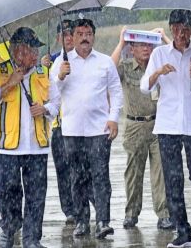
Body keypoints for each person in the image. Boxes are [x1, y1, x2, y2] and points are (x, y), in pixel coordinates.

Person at [141, 9, 191, 248]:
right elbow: (145, 86)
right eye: (178, 29)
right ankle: (182, 229)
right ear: (171, 29)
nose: (183, 34)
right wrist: (158, 72)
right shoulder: (160, 54)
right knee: (173, 180)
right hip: (168, 125)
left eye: (187, 29)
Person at [0, 27, 59, 248]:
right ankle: (9, 228)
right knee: (7, 191)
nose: (34, 55)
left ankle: (32, 238)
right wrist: (10, 84)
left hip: (37, 146)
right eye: (29, 50)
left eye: (35, 49)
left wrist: (44, 109)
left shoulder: (44, 72)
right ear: (16, 52)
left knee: (36, 194)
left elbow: (56, 103)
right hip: (7, 147)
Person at [50, 18, 123, 239]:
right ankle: (82, 221)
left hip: (99, 130)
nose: (84, 37)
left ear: (93, 36)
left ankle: (103, 221)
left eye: (88, 33)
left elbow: (116, 91)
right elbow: (52, 95)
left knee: (101, 176)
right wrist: (60, 76)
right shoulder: (62, 63)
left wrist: (113, 118)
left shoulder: (104, 62)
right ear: (71, 37)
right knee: (77, 177)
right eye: (80, 33)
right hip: (72, 131)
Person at [111, 27, 173, 231]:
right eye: (141, 45)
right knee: (133, 173)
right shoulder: (126, 66)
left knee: (160, 172)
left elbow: (177, 58)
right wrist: (120, 42)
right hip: (134, 125)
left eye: (149, 44)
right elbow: (109, 69)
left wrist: (164, 37)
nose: (146, 49)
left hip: (158, 123)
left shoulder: (159, 64)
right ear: (132, 48)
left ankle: (163, 214)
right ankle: (131, 213)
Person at [41, 19, 79, 224]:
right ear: (58, 38)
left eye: (71, 34)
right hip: (60, 125)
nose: (69, 38)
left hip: (81, 125)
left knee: (81, 170)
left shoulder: (82, 58)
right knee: (63, 171)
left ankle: (84, 205)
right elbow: (46, 92)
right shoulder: (53, 63)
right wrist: (57, 75)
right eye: (64, 35)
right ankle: (70, 210)